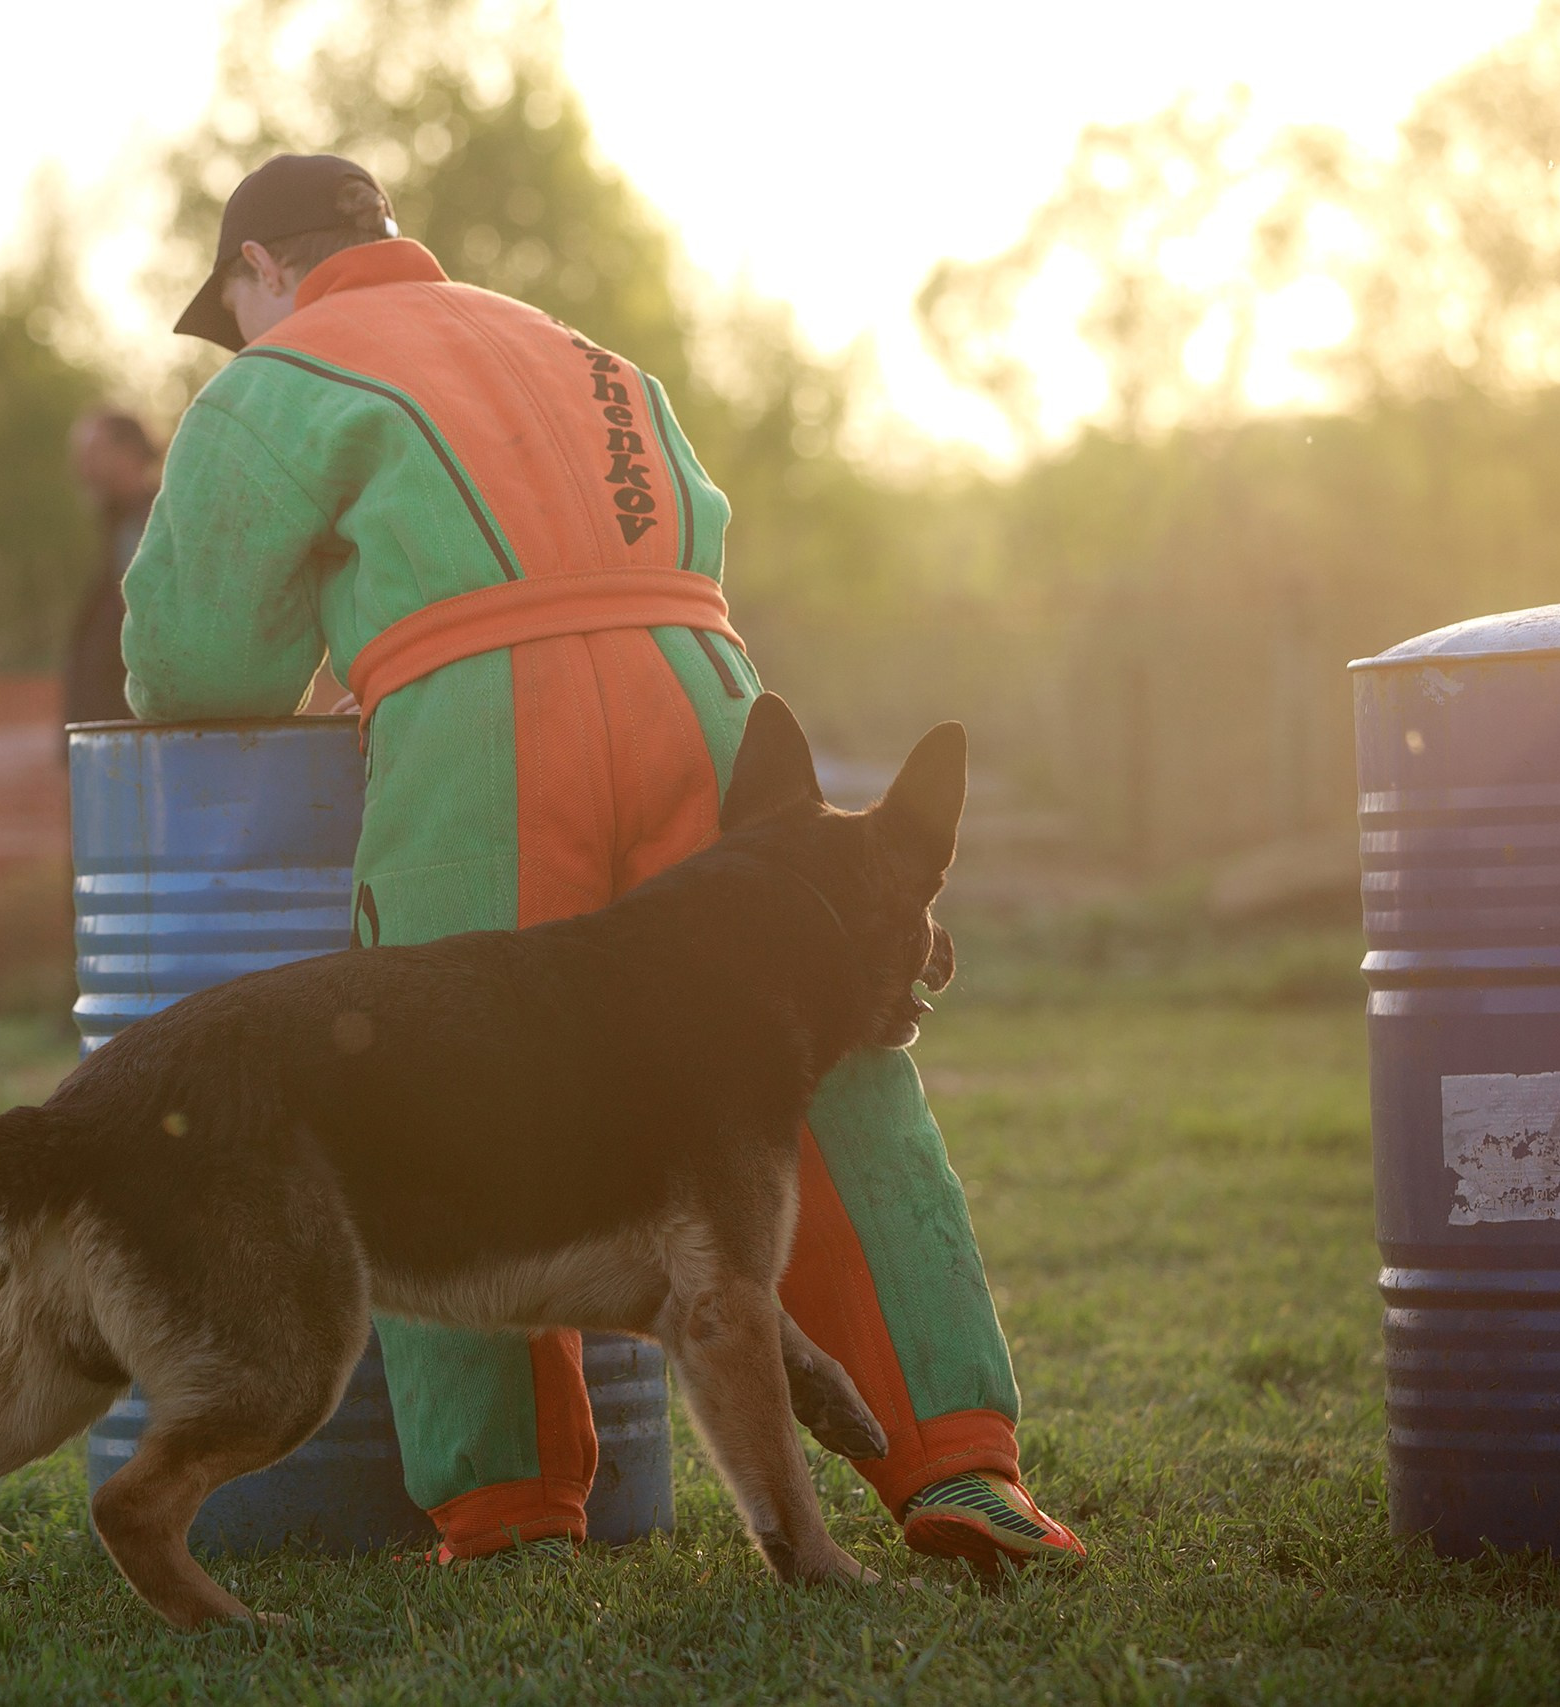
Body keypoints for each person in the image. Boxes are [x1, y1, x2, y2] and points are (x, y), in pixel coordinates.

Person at [120, 153, 1084, 1576]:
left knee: (447, 1081)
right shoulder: (575, 346)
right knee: (822, 1064)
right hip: (701, 690)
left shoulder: (276, 381)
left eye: (236, 306)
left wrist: (359, 649)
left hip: (478, 734)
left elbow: (196, 669)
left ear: (263, 268)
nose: (240, 335)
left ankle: (509, 1510)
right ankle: (960, 1464)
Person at [62, 410, 165, 729]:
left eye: (93, 451)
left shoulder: (146, 525)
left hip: (128, 729)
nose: (81, 464)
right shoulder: (119, 523)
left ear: (129, 454)